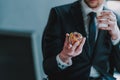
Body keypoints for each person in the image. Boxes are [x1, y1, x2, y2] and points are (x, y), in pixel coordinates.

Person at [42, 0, 120, 80]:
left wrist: (116, 38)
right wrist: (64, 56)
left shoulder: (115, 19)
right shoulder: (59, 14)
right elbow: (48, 68)